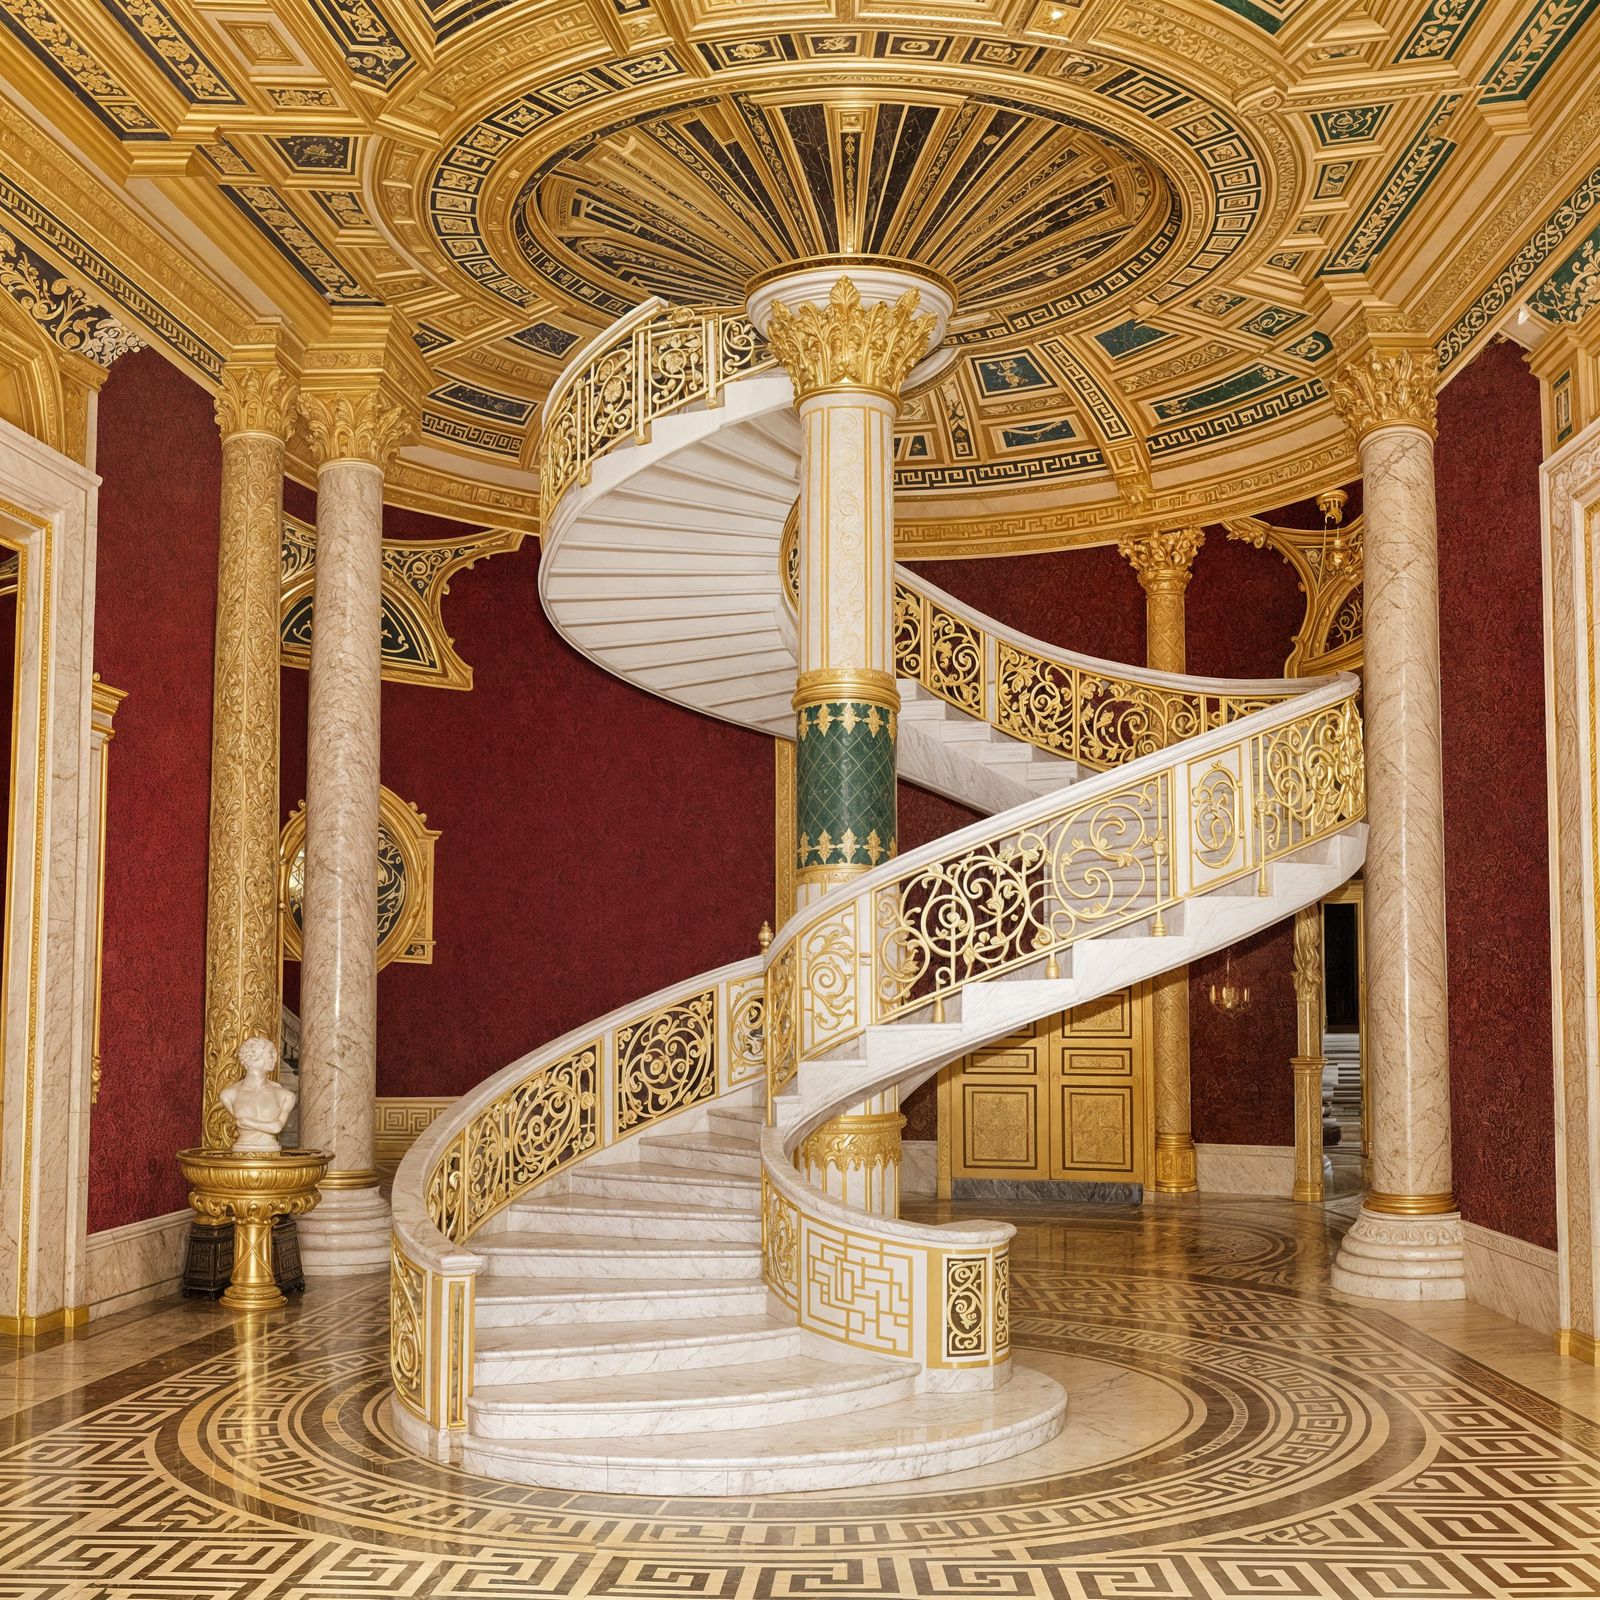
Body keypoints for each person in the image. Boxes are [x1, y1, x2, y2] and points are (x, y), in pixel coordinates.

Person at [218, 1036, 298, 1153]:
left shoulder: (285, 1096)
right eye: (270, 1054)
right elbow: (273, 1126)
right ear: (255, 1057)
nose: (275, 1059)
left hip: (271, 1154)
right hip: (241, 1154)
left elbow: (277, 1127)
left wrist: (248, 1122)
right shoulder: (228, 1095)